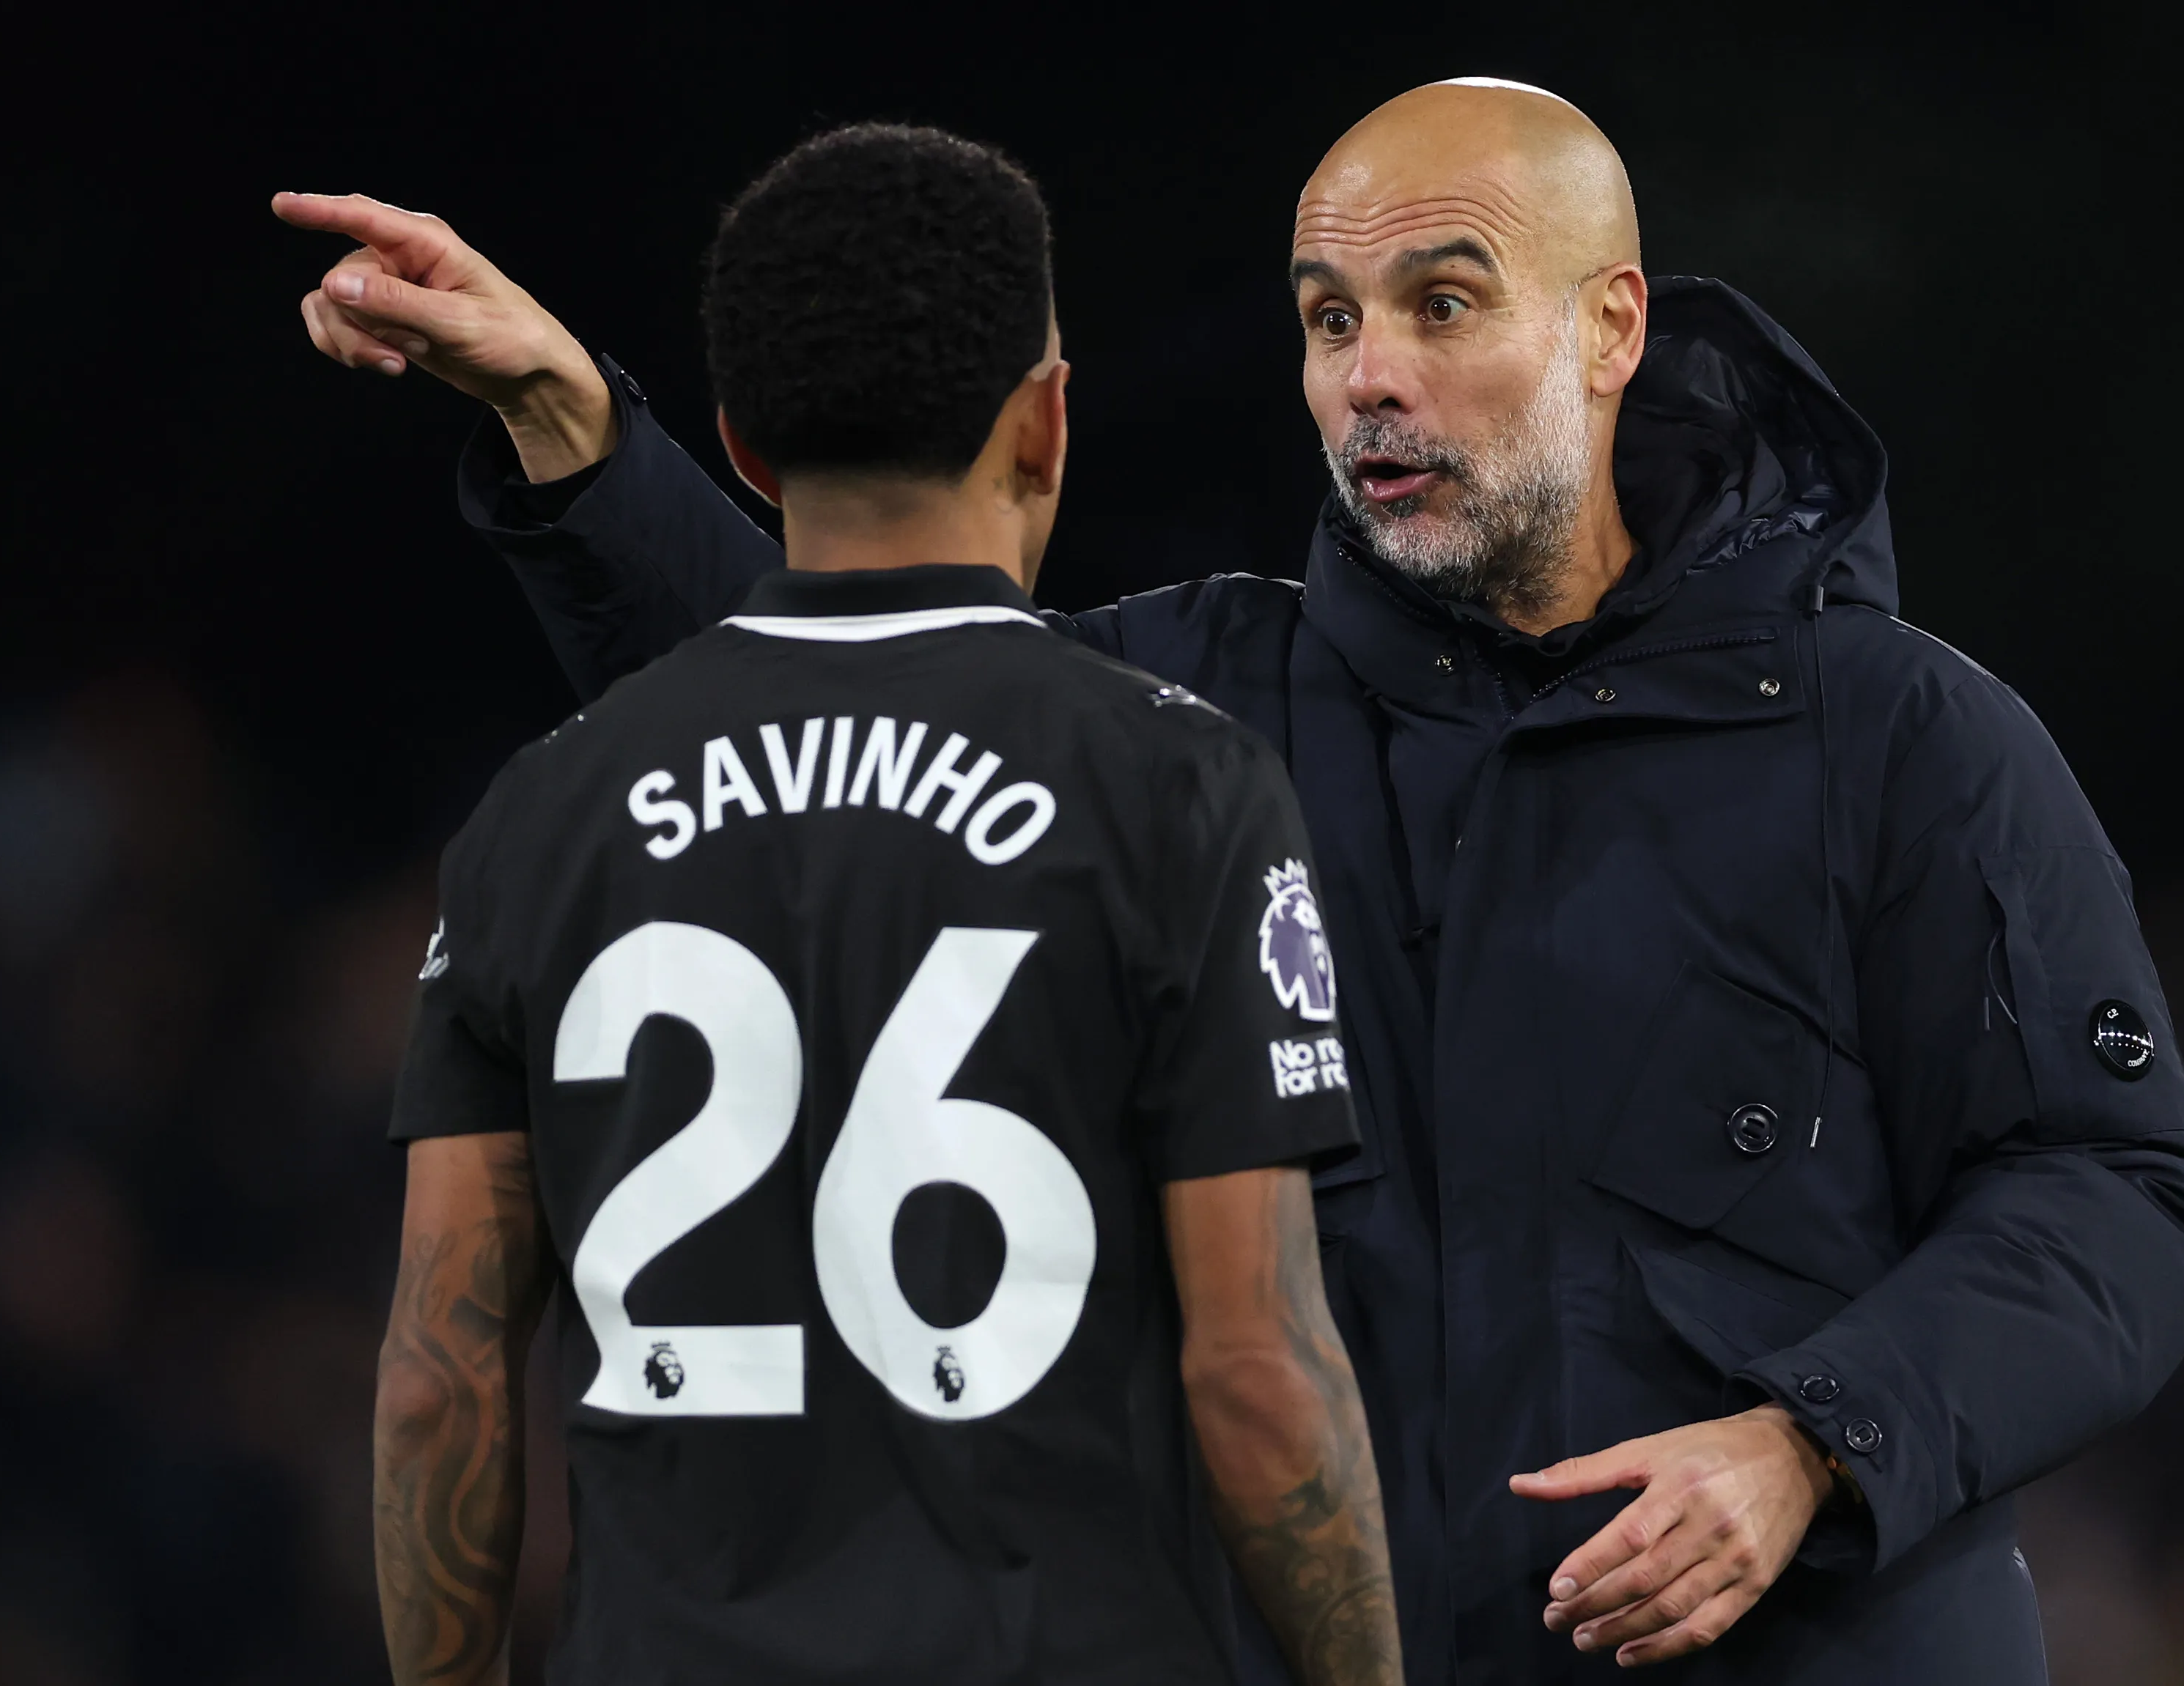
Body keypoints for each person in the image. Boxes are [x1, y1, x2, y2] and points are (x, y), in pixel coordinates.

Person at [281, 80, 2184, 1684]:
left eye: (1443, 304)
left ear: (1612, 327)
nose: (1369, 373)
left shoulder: (1902, 739)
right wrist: (572, 428)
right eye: (1325, 318)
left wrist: (1821, 1434)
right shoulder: (1190, 712)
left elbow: (2116, 1184)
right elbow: (824, 718)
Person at [354, 127, 1400, 1686]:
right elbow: (1260, 1372)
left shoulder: (542, 811)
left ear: (745, 448)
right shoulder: (1180, 785)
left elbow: (443, 1374)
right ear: (1045, 422)